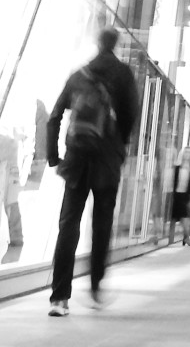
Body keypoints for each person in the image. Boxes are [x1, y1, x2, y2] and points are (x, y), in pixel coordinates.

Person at [46, 27, 140, 316]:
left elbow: (54, 117)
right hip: (106, 162)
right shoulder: (123, 74)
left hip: (76, 161)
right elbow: (131, 116)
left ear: (97, 44)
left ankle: (59, 297)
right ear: (116, 45)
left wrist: (54, 157)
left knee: (68, 226)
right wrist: (118, 146)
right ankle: (96, 288)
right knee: (101, 226)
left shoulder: (79, 74)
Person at [167, 147, 190, 245]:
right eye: (186, 152)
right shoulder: (177, 166)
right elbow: (172, 180)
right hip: (176, 195)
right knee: (173, 218)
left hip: (185, 196)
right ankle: (172, 238)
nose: (188, 155)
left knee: (185, 218)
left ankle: (186, 237)